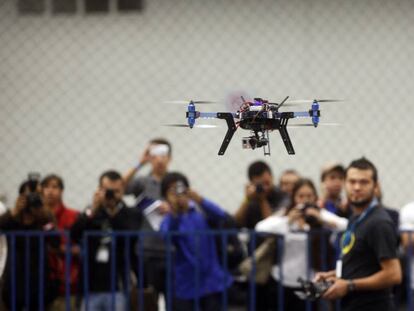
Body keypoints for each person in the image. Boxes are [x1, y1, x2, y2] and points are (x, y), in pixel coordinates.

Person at [315, 157, 402, 311]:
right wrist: (333, 276)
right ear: (345, 184)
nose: (356, 187)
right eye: (352, 181)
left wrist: (349, 285)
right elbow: (365, 264)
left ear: (375, 186)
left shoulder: (379, 223)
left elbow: (393, 274)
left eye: (364, 182)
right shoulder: (356, 217)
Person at [256, 178, 347, 310]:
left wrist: (321, 220)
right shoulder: (286, 214)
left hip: (310, 280)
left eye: (309, 196)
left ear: (315, 197)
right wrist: (287, 220)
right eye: (301, 196)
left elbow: (345, 225)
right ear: (294, 198)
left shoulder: (319, 214)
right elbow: (260, 228)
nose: (305, 200)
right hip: (283, 278)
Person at [159, 172, 232, 311]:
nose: (178, 194)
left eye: (180, 189)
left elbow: (221, 216)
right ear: (165, 196)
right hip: (186, 284)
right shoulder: (168, 219)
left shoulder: (199, 211)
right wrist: (173, 212)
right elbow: (167, 236)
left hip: (212, 281)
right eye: (172, 191)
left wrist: (200, 199)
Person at [71, 170, 142, 311]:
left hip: (119, 284)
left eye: (116, 191)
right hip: (91, 283)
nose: (111, 195)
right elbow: (74, 234)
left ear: (122, 191)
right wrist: (93, 209)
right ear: (99, 190)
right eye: (107, 191)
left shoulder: (131, 213)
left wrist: (114, 212)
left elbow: (130, 234)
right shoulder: (92, 212)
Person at [123, 138, 172, 307]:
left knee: (173, 298)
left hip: (171, 249)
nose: (159, 160)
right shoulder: (142, 182)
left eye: (163, 155)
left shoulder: (175, 181)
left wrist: (171, 208)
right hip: (147, 250)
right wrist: (140, 163)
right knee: (148, 301)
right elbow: (119, 188)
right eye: (155, 155)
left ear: (169, 158)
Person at [0, 177, 59, 311]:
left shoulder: (44, 219)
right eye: (28, 196)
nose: (32, 199)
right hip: (13, 283)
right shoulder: (11, 219)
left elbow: (56, 241)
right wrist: (14, 211)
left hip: (39, 283)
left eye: (37, 196)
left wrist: (45, 214)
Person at [41, 174, 80, 310]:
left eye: (54, 187)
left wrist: (59, 249)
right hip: (38, 284)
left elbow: (82, 248)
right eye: (46, 187)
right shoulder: (34, 217)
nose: (50, 191)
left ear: (61, 190)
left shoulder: (73, 216)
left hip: (66, 283)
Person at [234, 161, 289, 229]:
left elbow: (272, 226)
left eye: (267, 183)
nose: (265, 188)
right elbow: (235, 222)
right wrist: (247, 198)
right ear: (251, 183)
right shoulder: (251, 200)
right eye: (260, 185)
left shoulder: (282, 196)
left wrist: (262, 200)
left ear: (272, 177)